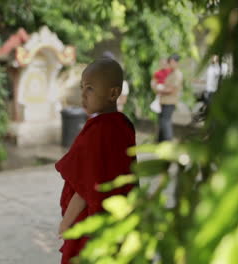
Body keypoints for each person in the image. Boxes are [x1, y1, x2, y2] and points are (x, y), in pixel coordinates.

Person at [55, 58, 137, 264]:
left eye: (90, 89)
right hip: (119, 218)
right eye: (82, 87)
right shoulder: (124, 125)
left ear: (113, 93)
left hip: (90, 222)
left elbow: (86, 187)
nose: (83, 94)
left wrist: (66, 223)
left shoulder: (97, 131)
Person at [152, 54, 183, 142]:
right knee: (162, 122)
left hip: (170, 102)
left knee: (166, 122)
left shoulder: (177, 74)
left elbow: (172, 90)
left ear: (175, 62)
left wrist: (159, 90)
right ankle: (160, 142)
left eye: (171, 62)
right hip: (163, 101)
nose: (169, 64)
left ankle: (168, 143)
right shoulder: (171, 73)